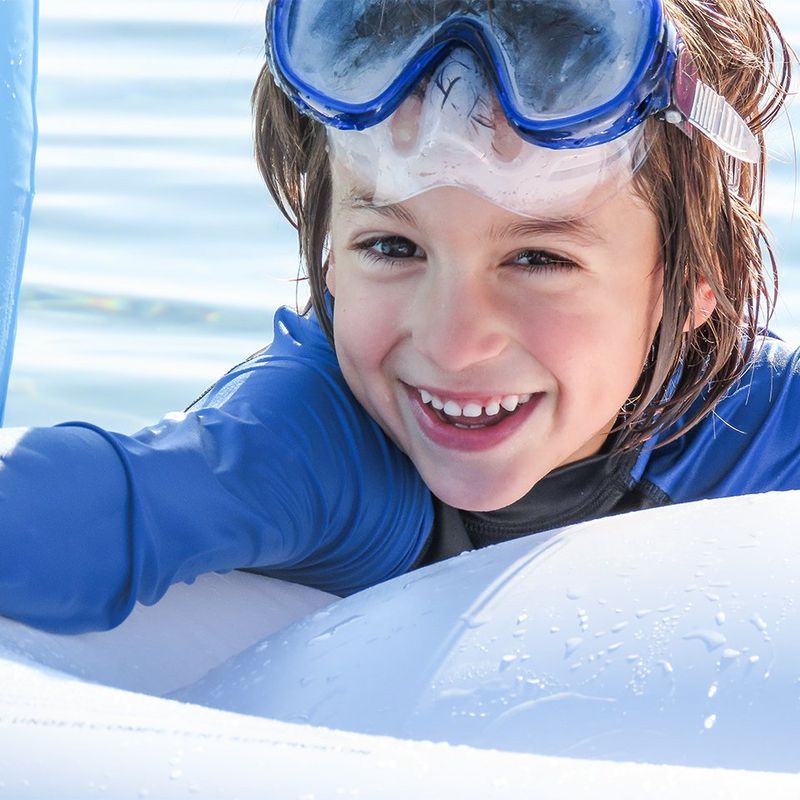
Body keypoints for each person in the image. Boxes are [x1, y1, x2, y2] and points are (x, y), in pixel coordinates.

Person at [0, 0, 796, 633]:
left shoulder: (761, 431)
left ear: (699, 278)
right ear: (332, 249)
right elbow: (76, 512)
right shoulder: (316, 452)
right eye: (390, 246)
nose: (453, 344)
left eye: (539, 259)